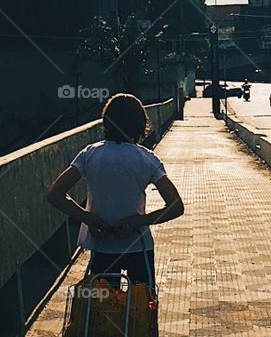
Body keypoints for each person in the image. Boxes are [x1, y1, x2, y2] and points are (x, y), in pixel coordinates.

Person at [45, 93, 184, 287]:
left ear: (106, 122)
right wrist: (140, 221)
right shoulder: (147, 159)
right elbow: (176, 206)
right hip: (138, 246)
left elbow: (55, 194)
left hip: (102, 247)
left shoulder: (90, 154)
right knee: (142, 308)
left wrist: (88, 217)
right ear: (140, 125)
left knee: (104, 309)